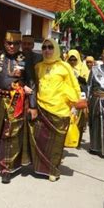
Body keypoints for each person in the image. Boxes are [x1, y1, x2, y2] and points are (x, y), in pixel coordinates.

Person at [0, 30, 38, 184]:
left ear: (19, 44)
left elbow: (31, 82)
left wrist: (32, 105)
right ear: (4, 42)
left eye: (15, 43)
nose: (12, 46)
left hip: (17, 100)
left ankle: (7, 167)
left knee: (11, 132)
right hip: (0, 99)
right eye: (9, 43)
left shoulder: (24, 59)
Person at [30, 38, 80, 181]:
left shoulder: (64, 67)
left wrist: (75, 106)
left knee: (56, 144)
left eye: (50, 47)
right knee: (41, 140)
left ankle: (53, 170)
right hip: (41, 108)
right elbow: (35, 85)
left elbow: (74, 86)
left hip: (60, 110)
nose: (47, 50)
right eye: (44, 47)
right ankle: (40, 168)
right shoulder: (38, 67)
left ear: (56, 49)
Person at [65, 49, 90, 149]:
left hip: (79, 97)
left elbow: (86, 82)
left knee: (79, 120)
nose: (72, 62)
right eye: (70, 60)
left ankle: (77, 141)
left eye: (74, 60)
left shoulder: (82, 69)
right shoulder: (64, 67)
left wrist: (78, 77)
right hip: (67, 97)